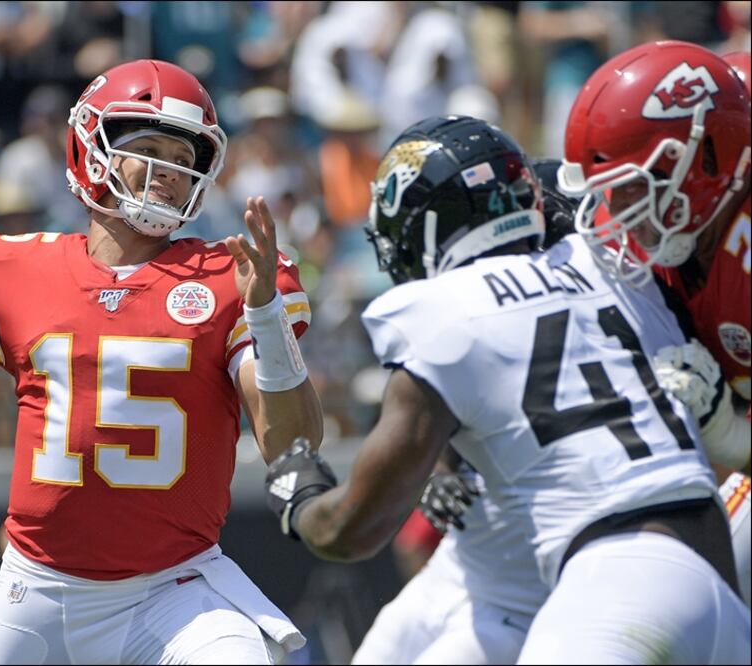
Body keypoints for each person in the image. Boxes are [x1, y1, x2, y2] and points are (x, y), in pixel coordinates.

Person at [0, 59, 322, 664]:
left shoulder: (227, 275)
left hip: (176, 590)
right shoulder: (18, 269)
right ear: (92, 147)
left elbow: (292, 444)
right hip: (36, 593)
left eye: (185, 160)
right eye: (151, 147)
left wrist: (265, 316)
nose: (170, 172)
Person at [264, 115, 751, 664]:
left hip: (613, 585)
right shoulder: (616, 268)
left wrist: (300, 495)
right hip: (722, 582)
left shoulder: (442, 312)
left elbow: (350, 530)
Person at [349, 158, 584, 665]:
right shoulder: (482, 317)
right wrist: (438, 469)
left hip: (527, 590)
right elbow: (450, 412)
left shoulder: (590, 322)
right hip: (461, 562)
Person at [559, 40, 751, 605]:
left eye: (633, 188)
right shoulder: (653, 234)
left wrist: (731, 435)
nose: (615, 214)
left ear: (708, 161)